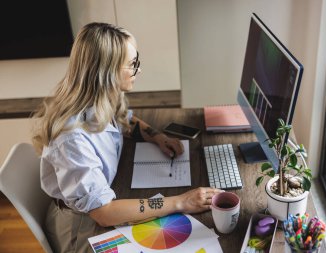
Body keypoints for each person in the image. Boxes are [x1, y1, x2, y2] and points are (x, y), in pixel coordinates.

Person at [32, 22, 223, 253]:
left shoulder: (103, 96)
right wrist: (180, 202)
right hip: (83, 228)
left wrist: (157, 136)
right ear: (107, 73)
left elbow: (125, 120)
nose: (138, 70)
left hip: (103, 201)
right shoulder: (71, 138)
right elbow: (103, 213)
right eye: (132, 65)